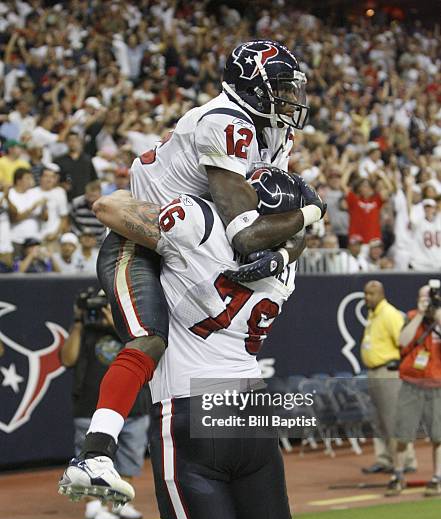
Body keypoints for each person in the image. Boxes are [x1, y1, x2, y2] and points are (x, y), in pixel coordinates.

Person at [61, 167, 338, 519]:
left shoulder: (203, 224)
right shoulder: (285, 270)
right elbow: (268, 243)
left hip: (190, 409)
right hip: (251, 407)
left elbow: (109, 207)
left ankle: (96, 449)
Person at [58, 40, 326, 477]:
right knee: (149, 337)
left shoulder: (276, 130)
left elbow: (285, 226)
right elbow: (247, 230)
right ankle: (94, 454)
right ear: (253, 85)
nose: (291, 98)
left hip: (196, 240)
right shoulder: (227, 122)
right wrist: (312, 211)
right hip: (142, 235)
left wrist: (282, 250)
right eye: (281, 86)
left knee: (198, 350)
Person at [60, 291, 148, 519]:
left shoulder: (133, 332)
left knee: (130, 456)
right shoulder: (85, 331)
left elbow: (144, 352)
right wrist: (78, 322)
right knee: (90, 458)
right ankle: (94, 507)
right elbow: (67, 359)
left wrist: (117, 325)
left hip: (134, 406)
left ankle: (120, 503)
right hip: (90, 406)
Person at [386, 284, 441, 496]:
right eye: (423, 297)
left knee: (438, 436)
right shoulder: (410, 317)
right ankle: (397, 475)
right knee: (402, 433)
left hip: (436, 384)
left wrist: (436, 314)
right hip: (411, 383)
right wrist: (419, 315)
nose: (427, 301)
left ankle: (437, 477)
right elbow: (402, 341)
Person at [361, 281, 417, 474]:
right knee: (379, 421)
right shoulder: (373, 314)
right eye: (366, 294)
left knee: (393, 419)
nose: (367, 297)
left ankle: (404, 461)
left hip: (389, 372)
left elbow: (406, 343)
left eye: (371, 294)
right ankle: (385, 459)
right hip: (374, 372)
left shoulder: (390, 314)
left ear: (381, 294)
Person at [6, 168, 48, 250]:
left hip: (34, 239)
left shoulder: (36, 193)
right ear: (19, 181)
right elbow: (14, 219)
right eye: (28, 178)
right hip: (16, 239)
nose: (31, 181)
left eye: (31, 178)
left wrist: (44, 208)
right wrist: (33, 208)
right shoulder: (10, 195)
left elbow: (45, 218)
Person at [31, 166, 69, 248]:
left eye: (52, 177)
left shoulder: (60, 192)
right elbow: (43, 217)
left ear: (55, 179)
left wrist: (56, 234)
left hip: (54, 236)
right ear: (40, 178)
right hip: (35, 237)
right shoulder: (32, 192)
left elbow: (64, 217)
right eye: (46, 176)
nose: (49, 179)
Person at [54, 132, 98, 202]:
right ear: (66, 142)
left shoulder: (87, 159)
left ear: (79, 142)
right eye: (70, 140)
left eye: (75, 140)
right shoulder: (59, 161)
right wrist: (61, 185)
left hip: (85, 198)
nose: (72, 143)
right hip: (67, 198)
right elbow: (54, 180)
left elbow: (94, 179)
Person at [408, 199, 441, 271]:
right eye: (426, 207)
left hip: (438, 262)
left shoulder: (439, 221)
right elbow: (410, 215)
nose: (429, 209)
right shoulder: (418, 223)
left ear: (435, 209)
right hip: (421, 263)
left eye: (431, 207)